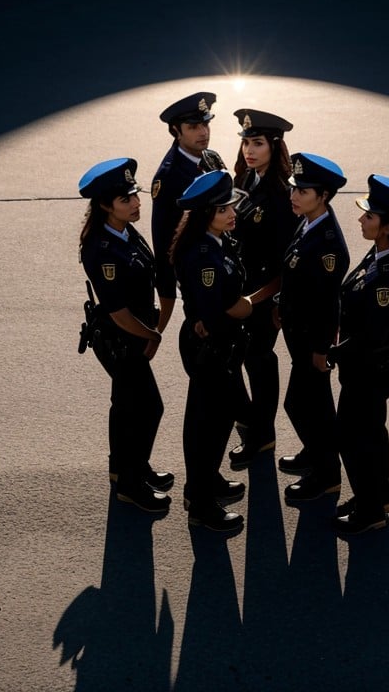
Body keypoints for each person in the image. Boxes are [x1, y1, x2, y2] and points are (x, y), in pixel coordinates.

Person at [331, 174, 389, 535]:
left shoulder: (388, 273)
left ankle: (370, 512)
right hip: (366, 364)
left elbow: (370, 331)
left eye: (369, 216)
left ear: (386, 226)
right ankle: (375, 496)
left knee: (353, 437)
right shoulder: (380, 252)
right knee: (371, 432)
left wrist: (334, 352)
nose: (360, 220)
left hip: (368, 367)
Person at [78, 158, 173, 513]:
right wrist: (154, 335)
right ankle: (131, 486)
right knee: (148, 407)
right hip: (122, 339)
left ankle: (124, 469)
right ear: (105, 205)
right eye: (126, 199)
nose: (136, 203)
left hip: (133, 334)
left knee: (125, 407)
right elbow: (118, 312)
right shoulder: (102, 249)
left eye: (135, 194)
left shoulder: (124, 231)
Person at [169, 170, 253, 532]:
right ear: (206, 215)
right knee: (208, 426)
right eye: (223, 209)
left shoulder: (215, 241)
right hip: (212, 347)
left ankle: (204, 483)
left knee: (211, 421)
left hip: (215, 343)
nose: (232, 211)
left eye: (231, 204)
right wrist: (251, 305)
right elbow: (221, 309)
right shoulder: (205, 254)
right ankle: (201, 506)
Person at [227, 109, 299, 469]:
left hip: (264, 298)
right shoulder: (247, 180)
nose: (249, 150)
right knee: (242, 359)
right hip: (242, 291)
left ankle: (262, 435)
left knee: (259, 361)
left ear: (275, 146)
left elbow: (288, 263)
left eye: (257, 143)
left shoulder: (281, 195)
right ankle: (255, 426)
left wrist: (256, 300)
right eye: (245, 142)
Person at [277, 153, 350, 501]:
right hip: (299, 335)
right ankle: (316, 454)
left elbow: (326, 302)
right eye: (294, 188)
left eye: (303, 191)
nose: (294, 195)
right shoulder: (308, 223)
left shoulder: (328, 245)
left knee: (305, 405)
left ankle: (326, 475)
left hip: (311, 341)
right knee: (311, 404)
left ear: (323, 195)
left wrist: (322, 350)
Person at [150, 92, 226, 333]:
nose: (203, 132)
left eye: (205, 124)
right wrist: (167, 297)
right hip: (199, 278)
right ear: (176, 130)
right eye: (193, 127)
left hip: (226, 264)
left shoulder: (211, 158)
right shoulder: (169, 178)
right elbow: (163, 243)